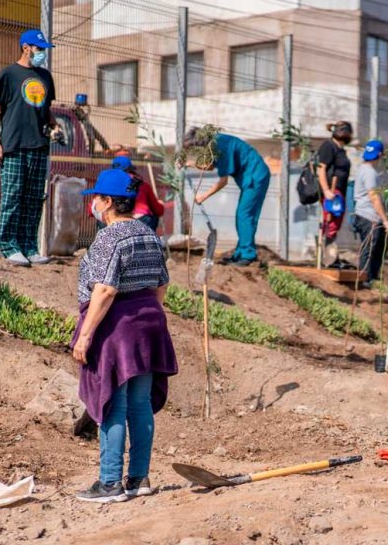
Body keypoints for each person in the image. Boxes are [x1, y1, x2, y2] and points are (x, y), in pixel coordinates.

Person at [72, 168, 178, 503]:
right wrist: (148, 313)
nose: (95, 206)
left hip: (117, 329)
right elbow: (161, 283)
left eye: (97, 199)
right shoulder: (148, 234)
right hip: (149, 325)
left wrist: (86, 336)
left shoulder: (109, 238)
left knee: (113, 404)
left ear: (107, 202)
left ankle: (109, 483)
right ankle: (139, 478)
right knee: (139, 403)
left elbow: (104, 290)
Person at [0, 29, 61, 267]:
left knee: (33, 199)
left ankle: (29, 247)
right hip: (13, 144)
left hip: (39, 145)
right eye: (39, 49)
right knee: (12, 197)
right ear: (25, 48)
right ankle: (9, 246)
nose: (42, 53)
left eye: (44, 49)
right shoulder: (9, 74)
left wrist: (54, 126)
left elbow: (45, 109)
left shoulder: (45, 77)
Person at [188, 129, 271, 266]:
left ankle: (247, 255)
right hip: (253, 177)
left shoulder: (221, 145)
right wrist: (190, 164)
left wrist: (203, 196)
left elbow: (223, 181)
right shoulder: (216, 143)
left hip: (256, 177)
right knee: (243, 216)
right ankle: (240, 253)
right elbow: (210, 166)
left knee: (244, 215)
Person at [352, 140, 388, 286]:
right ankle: (364, 280)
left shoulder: (363, 169)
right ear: (380, 154)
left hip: (363, 214)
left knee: (376, 248)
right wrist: (385, 219)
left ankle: (371, 278)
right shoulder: (370, 173)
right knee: (369, 249)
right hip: (369, 216)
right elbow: (374, 197)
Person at [316, 121, 353, 250]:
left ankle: (329, 252)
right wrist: (326, 190)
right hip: (332, 191)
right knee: (331, 222)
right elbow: (321, 168)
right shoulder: (329, 146)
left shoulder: (340, 149)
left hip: (339, 191)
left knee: (335, 222)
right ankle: (325, 252)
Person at [111, 155, 165, 232]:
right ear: (131, 169)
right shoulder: (143, 185)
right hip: (142, 219)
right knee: (153, 217)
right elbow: (158, 210)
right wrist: (161, 205)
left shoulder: (109, 185)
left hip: (117, 220)